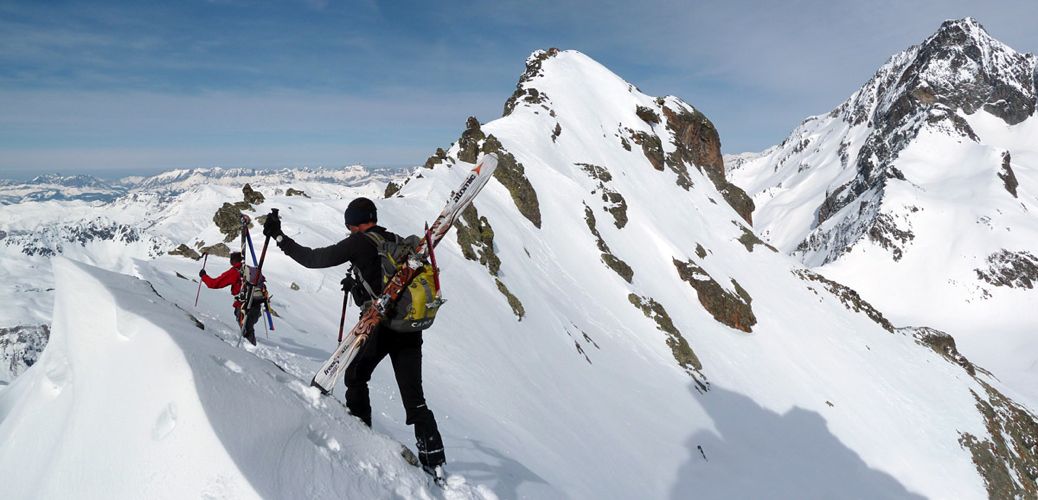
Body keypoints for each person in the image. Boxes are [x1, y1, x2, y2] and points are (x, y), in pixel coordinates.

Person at [262, 197, 447, 477]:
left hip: (382, 327)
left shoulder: (358, 242)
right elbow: (382, 276)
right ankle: (435, 464)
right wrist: (359, 284)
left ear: (353, 223)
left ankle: (362, 437)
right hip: (409, 328)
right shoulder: (395, 239)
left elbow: (313, 259)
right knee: (415, 399)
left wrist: (279, 236)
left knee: (355, 377)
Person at [200, 251, 263, 346]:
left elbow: (214, 283)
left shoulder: (235, 272)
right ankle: (252, 347)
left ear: (232, 261)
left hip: (243, 307)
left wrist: (203, 276)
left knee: (246, 331)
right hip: (256, 304)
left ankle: (252, 353)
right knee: (248, 328)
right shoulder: (248, 270)